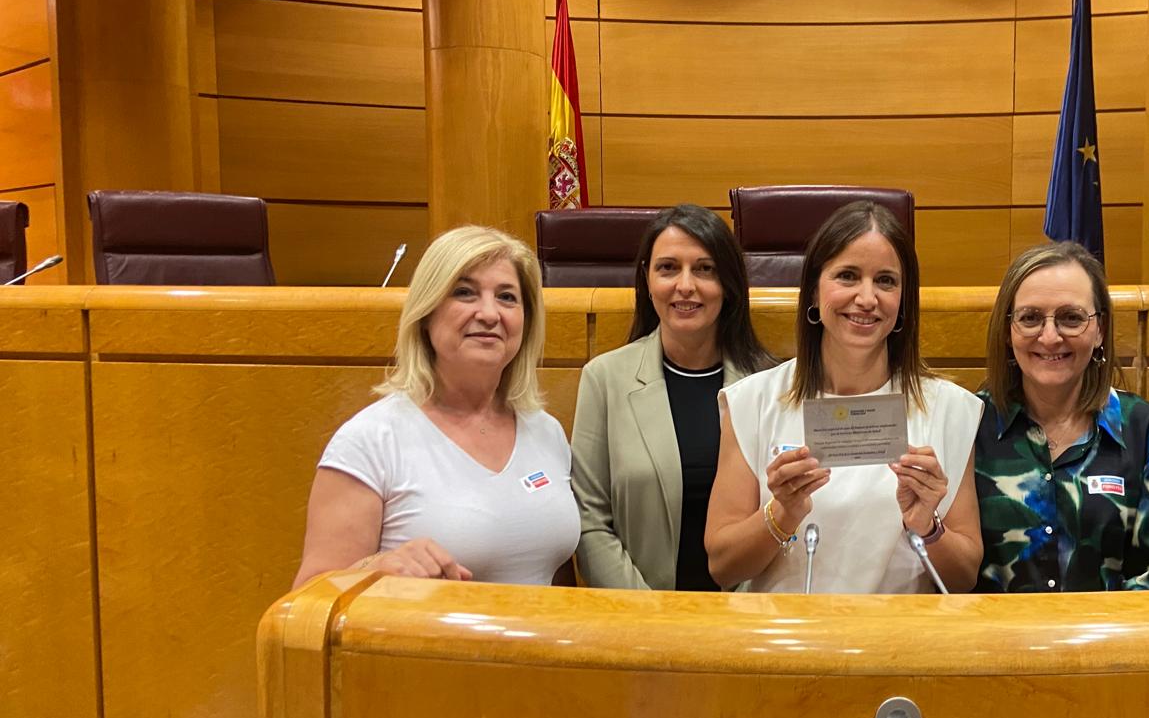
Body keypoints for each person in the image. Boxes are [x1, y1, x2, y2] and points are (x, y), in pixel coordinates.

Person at [705, 201, 983, 593]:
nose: (867, 298)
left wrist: (927, 525)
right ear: (815, 294)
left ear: (903, 300)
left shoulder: (951, 409)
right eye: (848, 276)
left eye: (886, 281)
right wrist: (781, 513)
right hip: (787, 644)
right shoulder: (753, 401)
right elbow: (722, 567)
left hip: (902, 645)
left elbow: (964, 579)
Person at [295, 225, 580, 586]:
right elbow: (309, 598)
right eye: (465, 293)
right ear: (427, 313)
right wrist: (374, 570)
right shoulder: (370, 440)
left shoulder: (546, 431)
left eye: (507, 297)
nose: (490, 314)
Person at [571, 204, 775, 590]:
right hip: (640, 624)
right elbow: (589, 520)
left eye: (705, 269)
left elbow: (782, 514)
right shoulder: (605, 378)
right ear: (647, 280)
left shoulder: (769, 383)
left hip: (748, 623)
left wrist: (741, 616)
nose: (685, 285)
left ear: (728, 285)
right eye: (668, 268)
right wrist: (650, 618)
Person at [974, 242, 1149, 592]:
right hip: (993, 643)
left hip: (1111, 642)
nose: (1050, 336)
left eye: (1071, 318)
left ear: (1100, 330)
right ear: (1008, 331)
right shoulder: (970, 425)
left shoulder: (1140, 427)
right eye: (1030, 318)